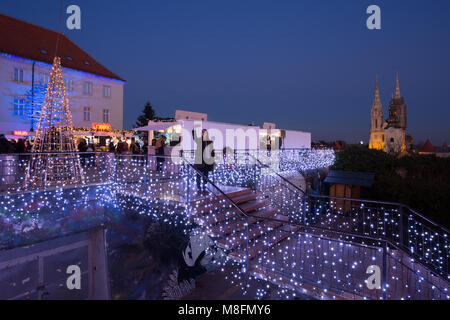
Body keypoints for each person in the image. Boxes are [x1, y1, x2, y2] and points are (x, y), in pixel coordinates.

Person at [192, 127, 215, 192]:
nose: (204, 133)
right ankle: (199, 188)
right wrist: (194, 130)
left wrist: (212, 157)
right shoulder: (199, 140)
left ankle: (204, 187)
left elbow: (212, 151)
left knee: (206, 175)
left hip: (207, 161)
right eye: (202, 132)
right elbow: (195, 137)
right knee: (198, 174)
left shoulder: (210, 142)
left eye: (205, 132)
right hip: (200, 160)